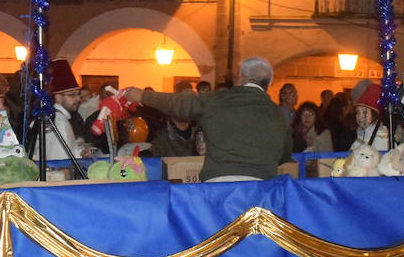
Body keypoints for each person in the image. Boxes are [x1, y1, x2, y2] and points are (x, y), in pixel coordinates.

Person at [124, 57, 291, 181]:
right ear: (269, 84)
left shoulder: (216, 100)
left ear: (240, 78)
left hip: (219, 183)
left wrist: (143, 95)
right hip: (261, 186)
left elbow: (178, 104)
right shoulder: (279, 114)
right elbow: (284, 156)